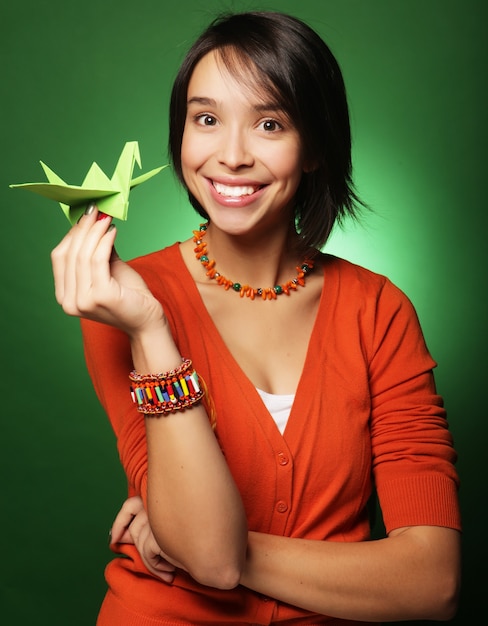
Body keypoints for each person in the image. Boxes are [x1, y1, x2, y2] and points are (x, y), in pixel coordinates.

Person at [51, 11, 461, 626]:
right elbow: (209, 562)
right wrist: (150, 331)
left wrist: (208, 542)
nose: (232, 156)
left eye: (270, 123)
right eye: (206, 119)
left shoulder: (379, 311)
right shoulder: (126, 300)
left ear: (316, 146)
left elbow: (431, 582)